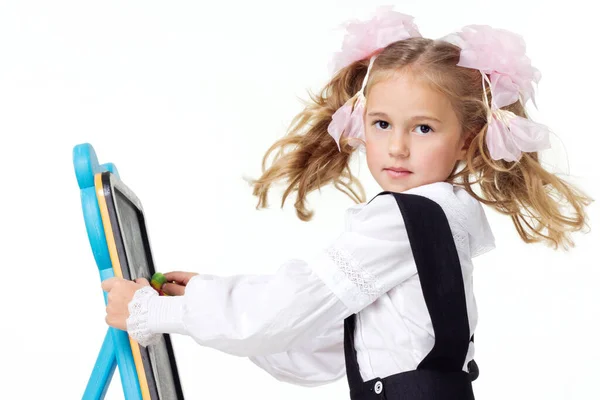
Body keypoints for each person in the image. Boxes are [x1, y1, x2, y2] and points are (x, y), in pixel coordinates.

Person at [101, 6, 592, 399]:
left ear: (467, 140)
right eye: (382, 124)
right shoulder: (440, 216)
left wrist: (154, 313)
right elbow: (326, 344)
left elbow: (292, 305)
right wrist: (206, 300)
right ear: (360, 123)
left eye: (423, 128)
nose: (398, 147)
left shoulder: (402, 219)